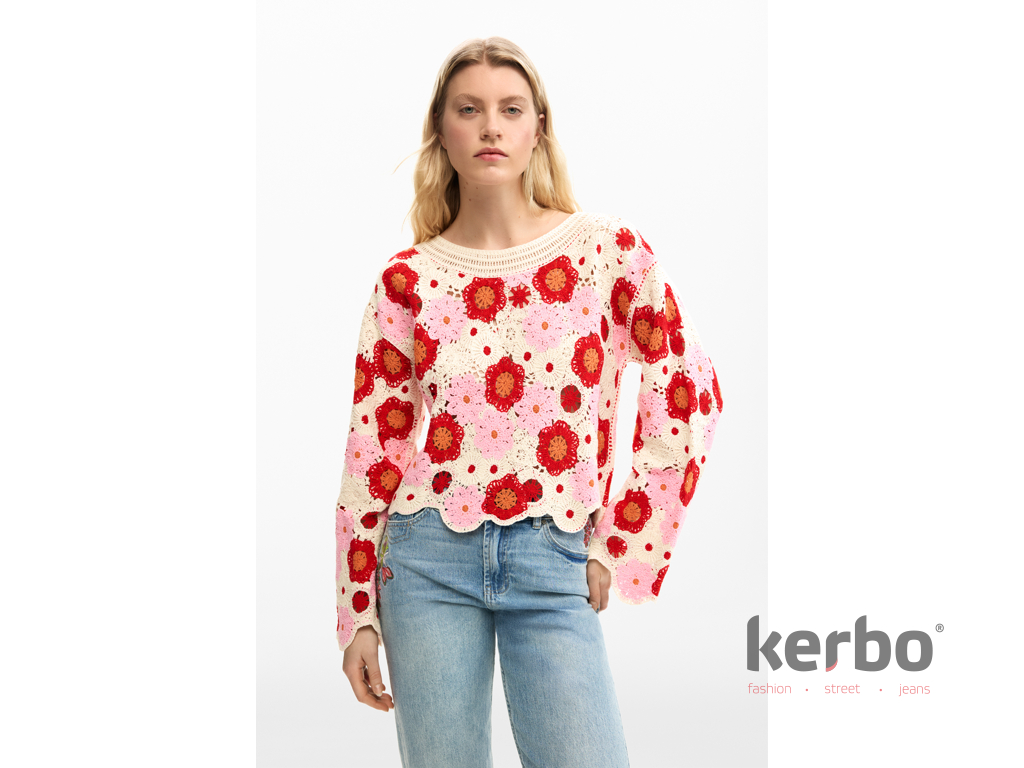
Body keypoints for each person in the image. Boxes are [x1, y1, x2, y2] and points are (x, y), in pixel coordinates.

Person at [334, 36, 724, 768]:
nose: (491, 126)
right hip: (424, 562)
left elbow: (688, 388)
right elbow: (372, 447)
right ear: (441, 129)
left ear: (537, 127)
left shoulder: (605, 253)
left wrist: (619, 540)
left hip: (555, 558)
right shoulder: (407, 280)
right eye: (469, 109)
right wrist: (356, 610)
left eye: (511, 109)